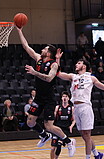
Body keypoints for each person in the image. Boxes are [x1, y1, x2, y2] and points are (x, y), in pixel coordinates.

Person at [16, 27, 76, 157]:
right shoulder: (38, 58)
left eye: (45, 49)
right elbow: (26, 46)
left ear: (49, 53)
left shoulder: (53, 64)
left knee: (49, 125)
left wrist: (34, 72)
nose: (42, 50)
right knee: (30, 122)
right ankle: (44, 136)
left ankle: (69, 141)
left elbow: (49, 78)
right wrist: (19, 30)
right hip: (38, 97)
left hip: (49, 99)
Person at [56, 52, 104, 159]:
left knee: (87, 135)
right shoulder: (72, 76)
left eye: (78, 63)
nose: (76, 65)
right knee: (84, 135)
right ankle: (97, 154)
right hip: (76, 108)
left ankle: (88, 157)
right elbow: (58, 74)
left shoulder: (91, 78)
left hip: (85, 107)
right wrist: (57, 59)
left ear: (84, 66)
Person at [50, 91, 76, 159]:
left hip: (65, 129)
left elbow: (74, 119)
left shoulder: (71, 108)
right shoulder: (57, 107)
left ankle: (56, 158)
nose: (64, 98)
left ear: (69, 98)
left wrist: (71, 126)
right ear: (61, 98)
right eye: (63, 96)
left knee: (59, 144)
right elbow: (53, 118)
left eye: (66, 96)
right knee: (52, 148)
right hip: (57, 129)